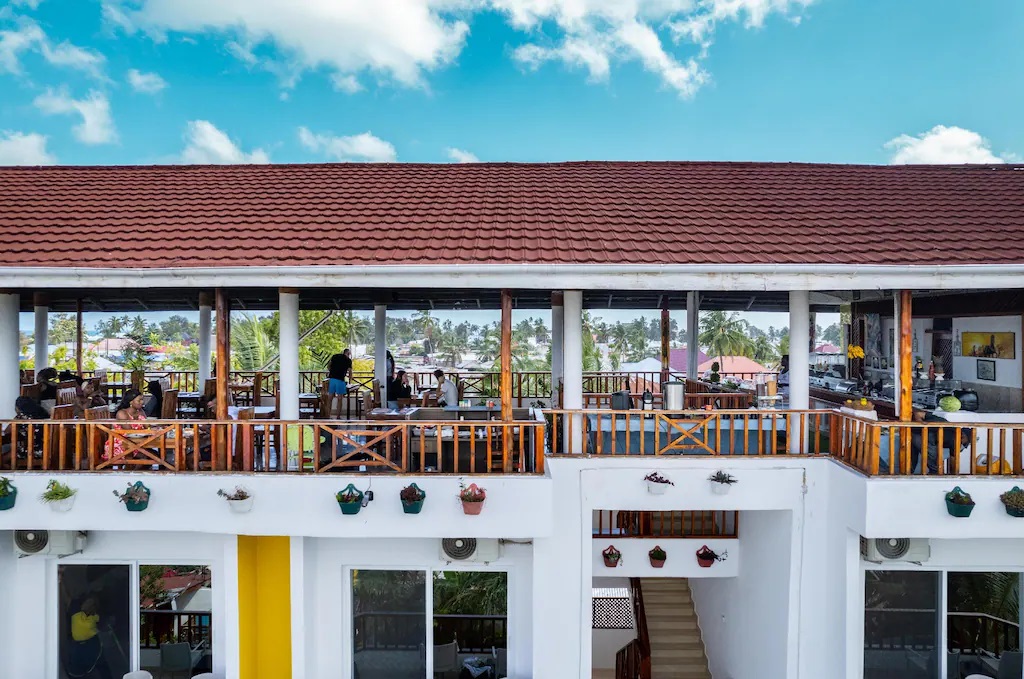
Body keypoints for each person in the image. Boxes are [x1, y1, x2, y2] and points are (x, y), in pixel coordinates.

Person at [67, 596, 113, 679]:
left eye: (92, 604)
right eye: (88, 602)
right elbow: (69, 598)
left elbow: (104, 625)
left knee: (101, 665)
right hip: (78, 646)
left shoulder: (95, 617)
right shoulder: (75, 612)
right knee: (76, 670)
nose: (88, 605)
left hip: (91, 645)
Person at [103, 389, 147, 461]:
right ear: (131, 402)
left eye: (142, 400)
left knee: (155, 455)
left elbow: (147, 426)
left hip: (135, 443)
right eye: (139, 400)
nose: (142, 402)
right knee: (148, 456)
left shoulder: (140, 411)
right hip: (120, 445)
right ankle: (131, 468)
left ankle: (132, 468)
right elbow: (129, 432)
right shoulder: (122, 413)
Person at [327, 349, 353, 418]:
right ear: (348, 353)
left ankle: (328, 415)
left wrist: (332, 371)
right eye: (349, 354)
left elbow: (328, 366)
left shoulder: (335, 356)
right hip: (340, 380)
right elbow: (350, 371)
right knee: (340, 398)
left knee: (330, 398)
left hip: (332, 379)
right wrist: (350, 381)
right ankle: (338, 416)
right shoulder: (348, 360)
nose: (349, 355)